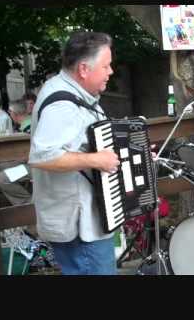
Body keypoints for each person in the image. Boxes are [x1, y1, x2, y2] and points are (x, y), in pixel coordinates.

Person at [28, 31, 120, 275]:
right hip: (80, 227)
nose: (110, 71)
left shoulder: (81, 95)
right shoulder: (62, 104)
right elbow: (44, 155)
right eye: (106, 65)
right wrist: (96, 160)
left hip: (89, 218)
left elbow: (85, 140)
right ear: (83, 69)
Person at [0, 99, 33, 207]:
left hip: (35, 166)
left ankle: (27, 206)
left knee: (0, 178)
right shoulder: (29, 123)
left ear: (13, 113)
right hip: (31, 162)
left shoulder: (29, 127)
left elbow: (27, 155)